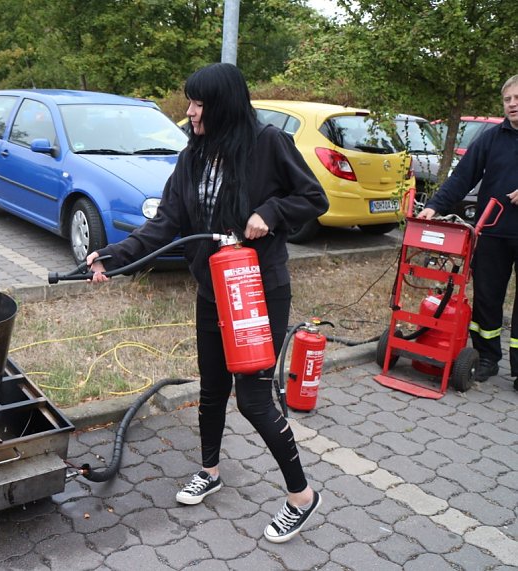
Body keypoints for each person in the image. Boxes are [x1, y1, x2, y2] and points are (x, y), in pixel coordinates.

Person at [86, 63, 329, 543]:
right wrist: (115, 256)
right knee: (213, 388)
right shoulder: (193, 155)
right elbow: (167, 221)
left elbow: (313, 197)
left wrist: (271, 212)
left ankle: (302, 496)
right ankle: (210, 470)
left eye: (198, 104)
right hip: (212, 288)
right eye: (190, 102)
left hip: (258, 291)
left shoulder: (268, 143)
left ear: (223, 106)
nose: (191, 112)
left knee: (254, 399)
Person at [418, 74, 518, 390]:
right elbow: (462, 177)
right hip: (492, 232)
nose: (513, 104)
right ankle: (487, 357)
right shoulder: (491, 138)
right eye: (508, 100)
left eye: (517, 98)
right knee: (487, 298)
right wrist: (434, 206)